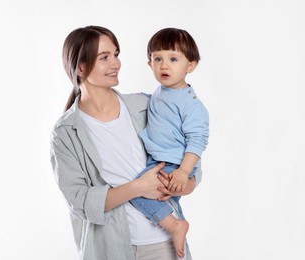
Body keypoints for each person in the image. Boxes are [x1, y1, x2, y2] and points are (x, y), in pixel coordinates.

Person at [50, 25, 202, 260]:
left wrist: (188, 182)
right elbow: (80, 202)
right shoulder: (66, 132)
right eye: (105, 57)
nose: (116, 63)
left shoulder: (145, 106)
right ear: (81, 67)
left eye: (116, 54)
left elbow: (186, 155)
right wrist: (138, 187)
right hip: (111, 248)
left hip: (165, 244)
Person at [129, 28, 209, 258]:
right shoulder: (162, 92)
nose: (164, 66)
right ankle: (177, 224)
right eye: (158, 59)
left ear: (190, 66)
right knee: (164, 199)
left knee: (136, 190)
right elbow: (160, 107)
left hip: (175, 163)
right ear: (149, 63)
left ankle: (175, 226)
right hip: (162, 160)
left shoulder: (190, 103)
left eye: (173, 59)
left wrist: (184, 172)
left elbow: (198, 139)